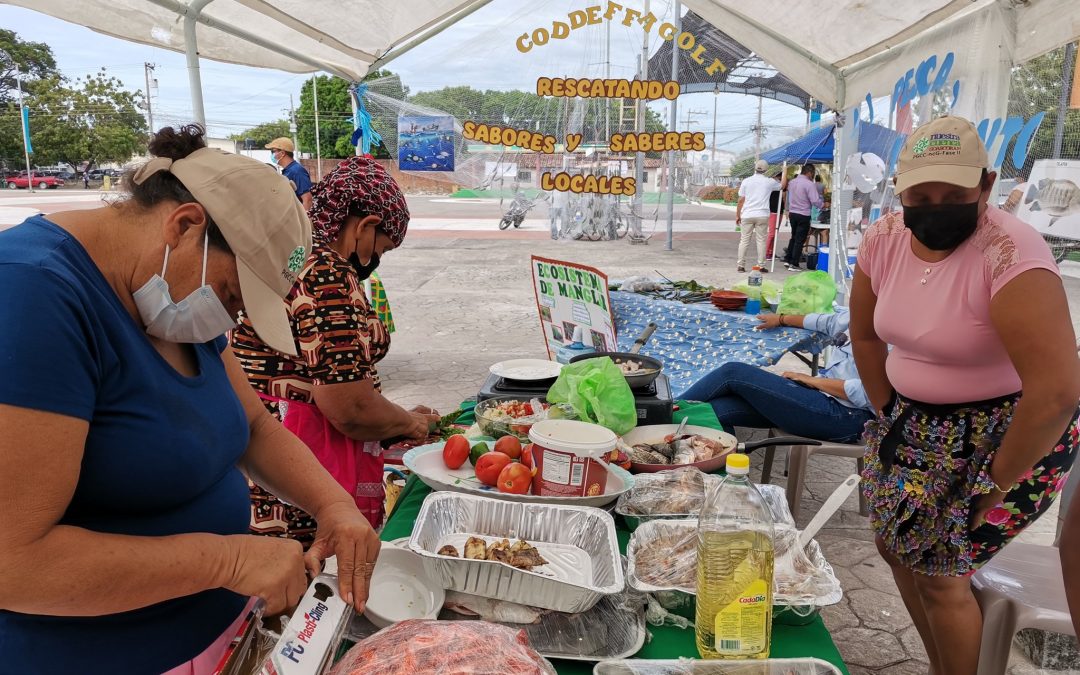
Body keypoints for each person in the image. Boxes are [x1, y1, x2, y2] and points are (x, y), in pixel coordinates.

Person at [0, 125, 380, 674]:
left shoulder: (167, 294)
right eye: (232, 296)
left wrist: (334, 506)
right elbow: (14, 563)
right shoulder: (29, 294)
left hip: (211, 638)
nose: (231, 319)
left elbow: (252, 426)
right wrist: (225, 560)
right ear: (184, 226)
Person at [850, 115, 1080, 675]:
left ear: (987, 183)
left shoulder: (1010, 253)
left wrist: (996, 481)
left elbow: (1056, 393)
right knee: (894, 546)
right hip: (915, 424)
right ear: (898, 190)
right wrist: (888, 414)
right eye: (920, 195)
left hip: (1013, 434)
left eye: (953, 194)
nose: (934, 206)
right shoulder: (884, 239)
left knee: (941, 572)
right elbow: (864, 334)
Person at [232, 156, 439, 540]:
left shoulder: (293, 255)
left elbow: (313, 371)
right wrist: (411, 424)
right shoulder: (327, 275)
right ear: (366, 226)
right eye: (384, 247)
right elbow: (349, 408)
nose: (377, 259)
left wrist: (393, 419)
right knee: (314, 583)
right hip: (302, 491)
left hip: (264, 471)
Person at [681, 308, 874, 443]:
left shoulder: (893, 335)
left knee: (732, 372)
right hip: (820, 397)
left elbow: (869, 393)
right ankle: (729, 484)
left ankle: (656, 414)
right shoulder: (860, 312)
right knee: (712, 411)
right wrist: (781, 318)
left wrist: (813, 380)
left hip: (846, 416)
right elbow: (828, 322)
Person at [736, 159, 785, 273]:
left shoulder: (746, 181)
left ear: (755, 168)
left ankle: (741, 265)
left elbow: (740, 200)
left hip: (747, 214)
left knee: (744, 240)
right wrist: (785, 170)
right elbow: (782, 185)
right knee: (761, 241)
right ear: (766, 170)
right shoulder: (769, 181)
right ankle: (761, 265)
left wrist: (738, 215)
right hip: (762, 214)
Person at [784, 164, 823, 270]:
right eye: (813, 173)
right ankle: (794, 263)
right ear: (809, 172)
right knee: (799, 240)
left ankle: (788, 259)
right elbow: (815, 200)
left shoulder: (792, 182)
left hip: (793, 213)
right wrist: (823, 205)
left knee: (794, 236)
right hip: (803, 214)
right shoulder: (810, 184)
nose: (814, 176)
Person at [266, 136, 313, 209]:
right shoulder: (288, 171)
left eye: (273, 151)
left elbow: (308, 199)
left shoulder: (296, 171)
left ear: (282, 153)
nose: (272, 155)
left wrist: (303, 220)